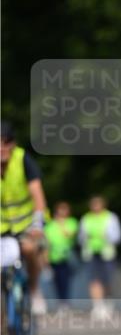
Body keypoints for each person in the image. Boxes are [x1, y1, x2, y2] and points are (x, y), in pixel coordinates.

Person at [0, 120, 48, 314]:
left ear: (13, 144)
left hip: (27, 223)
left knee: (29, 248)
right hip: (2, 227)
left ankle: (35, 289)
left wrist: (37, 223)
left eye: (6, 142)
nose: (1, 148)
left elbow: (37, 195)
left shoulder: (22, 160)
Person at [79, 196, 121, 320]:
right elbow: (81, 238)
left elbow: (118, 237)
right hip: (91, 252)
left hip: (106, 253)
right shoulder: (86, 218)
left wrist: (106, 236)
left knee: (107, 280)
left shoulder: (111, 217)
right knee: (94, 280)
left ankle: (108, 302)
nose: (95, 207)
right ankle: (98, 306)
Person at [45, 201, 78, 304]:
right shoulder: (50, 226)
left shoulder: (72, 222)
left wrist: (61, 224)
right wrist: (45, 258)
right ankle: (60, 301)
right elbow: (47, 243)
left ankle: (65, 301)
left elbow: (69, 234)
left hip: (67, 257)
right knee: (56, 281)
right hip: (54, 257)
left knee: (65, 280)